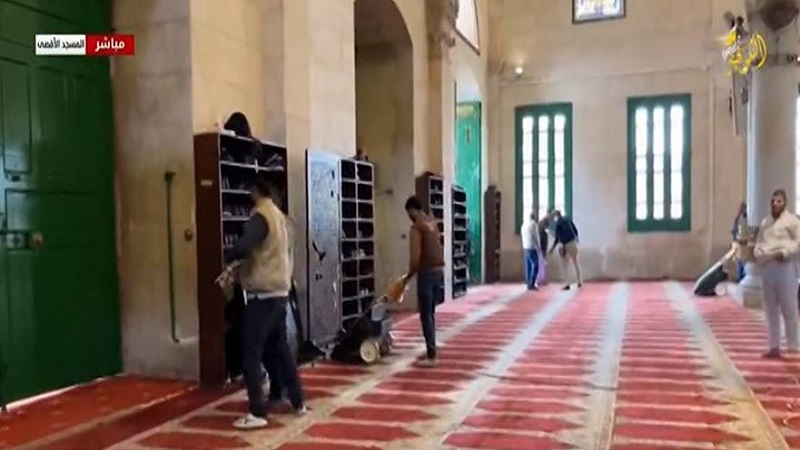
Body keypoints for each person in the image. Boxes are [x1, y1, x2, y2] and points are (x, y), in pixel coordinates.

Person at [216, 178, 306, 429]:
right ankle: (298, 401)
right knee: (282, 351)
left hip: (262, 295)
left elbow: (244, 246)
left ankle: (257, 412)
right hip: (280, 292)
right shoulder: (281, 218)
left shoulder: (261, 216)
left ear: (255, 191)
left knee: (251, 353)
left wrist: (229, 258)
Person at [753, 189, 800, 359]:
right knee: (770, 309)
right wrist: (760, 254)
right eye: (773, 201)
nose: (775, 204)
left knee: (789, 307)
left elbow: (798, 243)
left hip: (785, 268)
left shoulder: (793, 222)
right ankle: (774, 346)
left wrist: (784, 253)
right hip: (768, 268)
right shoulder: (765, 222)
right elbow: (759, 243)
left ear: (785, 203)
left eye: (779, 201)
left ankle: (793, 345)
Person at [401, 196, 445, 366]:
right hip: (439, 272)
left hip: (426, 274)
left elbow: (415, 258)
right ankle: (432, 346)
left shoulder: (416, 228)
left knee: (425, 315)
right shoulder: (432, 223)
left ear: (412, 210)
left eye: (408, 213)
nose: (409, 216)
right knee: (431, 313)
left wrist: (407, 277)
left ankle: (431, 355)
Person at [548, 209, 582, 290]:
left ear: (556, 216)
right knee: (576, 263)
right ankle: (579, 281)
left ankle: (567, 284)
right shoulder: (568, 219)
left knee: (565, 265)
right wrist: (576, 239)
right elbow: (575, 230)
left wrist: (552, 249)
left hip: (565, 245)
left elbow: (557, 238)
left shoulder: (558, 223)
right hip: (573, 243)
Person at [520, 212, 541, 290]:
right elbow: (536, 237)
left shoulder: (524, 225)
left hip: (525, 247)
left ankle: (528, 282)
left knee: (528, 266)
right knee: (535, 265)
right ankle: (531, 284)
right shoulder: (534, 225)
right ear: (534, 217)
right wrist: (539, 247)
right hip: (532, 247)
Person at [732, 201, 748, 281]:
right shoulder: (738, 219)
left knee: (745, 264)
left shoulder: (749, 219)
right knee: (740, 263)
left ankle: (743, 278)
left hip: (746, 245)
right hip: (739, 244)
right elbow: (734, 231)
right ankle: (740, 278)